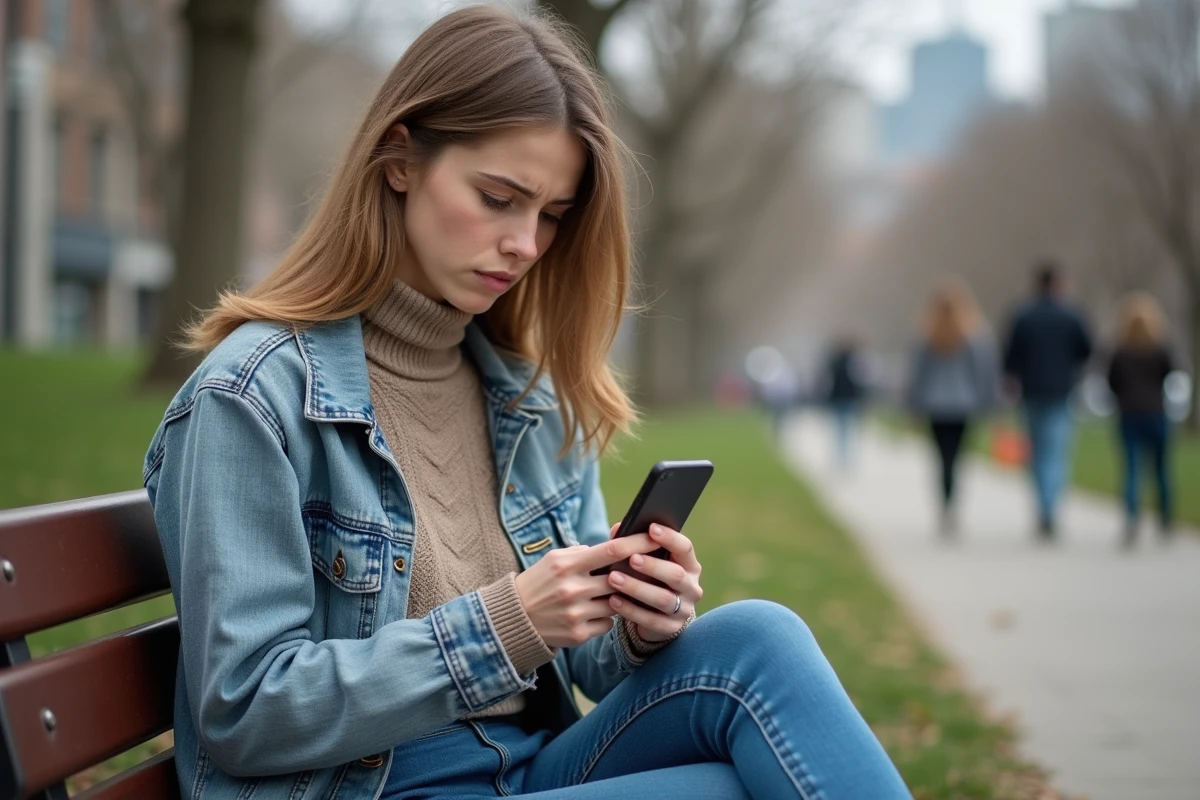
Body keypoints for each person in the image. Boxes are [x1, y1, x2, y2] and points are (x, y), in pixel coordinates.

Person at [142, 8, 911, 799]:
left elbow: (585, 666)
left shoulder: (524, 398)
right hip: (375, 788)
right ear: (400, 160)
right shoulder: (252, 397)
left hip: (533, 769)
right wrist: (503, 624)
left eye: (550, 215)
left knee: (761, 638)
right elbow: (247, 710)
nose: (527, 244)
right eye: (499, 197)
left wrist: (633, 621)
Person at [1002, 261, 1093, 539]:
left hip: (1031, 393)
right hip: (1061, 392)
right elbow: (1086, 350)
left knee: (1037, 453)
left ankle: (1043, 506)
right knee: (1055, 452)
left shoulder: (1022, 316)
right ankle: (1050, 507)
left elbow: (1009, 357)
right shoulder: (1072, 315)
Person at [906, 281, 999, 537]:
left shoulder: (927, 335)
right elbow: (982, 374)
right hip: (963, 405)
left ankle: (945, 505)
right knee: (957, 458)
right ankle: (953, 504)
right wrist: (988, 404)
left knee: (941, 458)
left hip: (935, 406)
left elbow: (918, 375)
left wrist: (913, 405)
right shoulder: (974, 335)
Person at [1107, 292, 1179, 548]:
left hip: (1129, 414)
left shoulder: (1120, 351)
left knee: (1132, 470)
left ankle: (1132, 519)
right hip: (1156, 412)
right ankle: (1165, 518)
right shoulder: (1161, 349)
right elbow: (1171, 375)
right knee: (1160, 470)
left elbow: (1112, 382)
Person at [822, 331, 870, 468]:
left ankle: (840, 458)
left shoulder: (836, 361)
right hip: (848, 398)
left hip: (839, 398)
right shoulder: (854, 361)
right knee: (846, 429)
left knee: (839, 429)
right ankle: (844, 459)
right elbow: (861, 382)